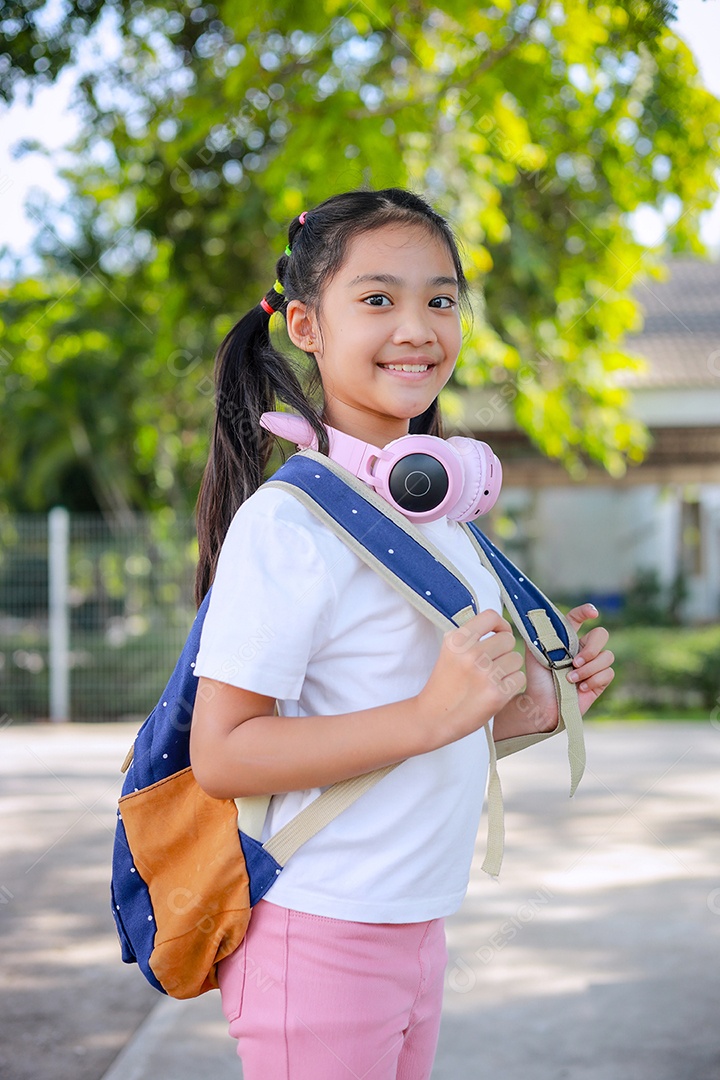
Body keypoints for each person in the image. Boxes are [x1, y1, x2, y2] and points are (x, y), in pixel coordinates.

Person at [189, 188, 615, 1080]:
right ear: (305, 325)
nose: (418, 329)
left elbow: (415, 723)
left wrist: (535, 706)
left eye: (441, 299)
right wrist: (429, 714)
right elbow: (223, 754)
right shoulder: (289, 525)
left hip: (416, 925)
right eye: (378, 299)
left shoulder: (440, 518)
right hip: (321, 932)